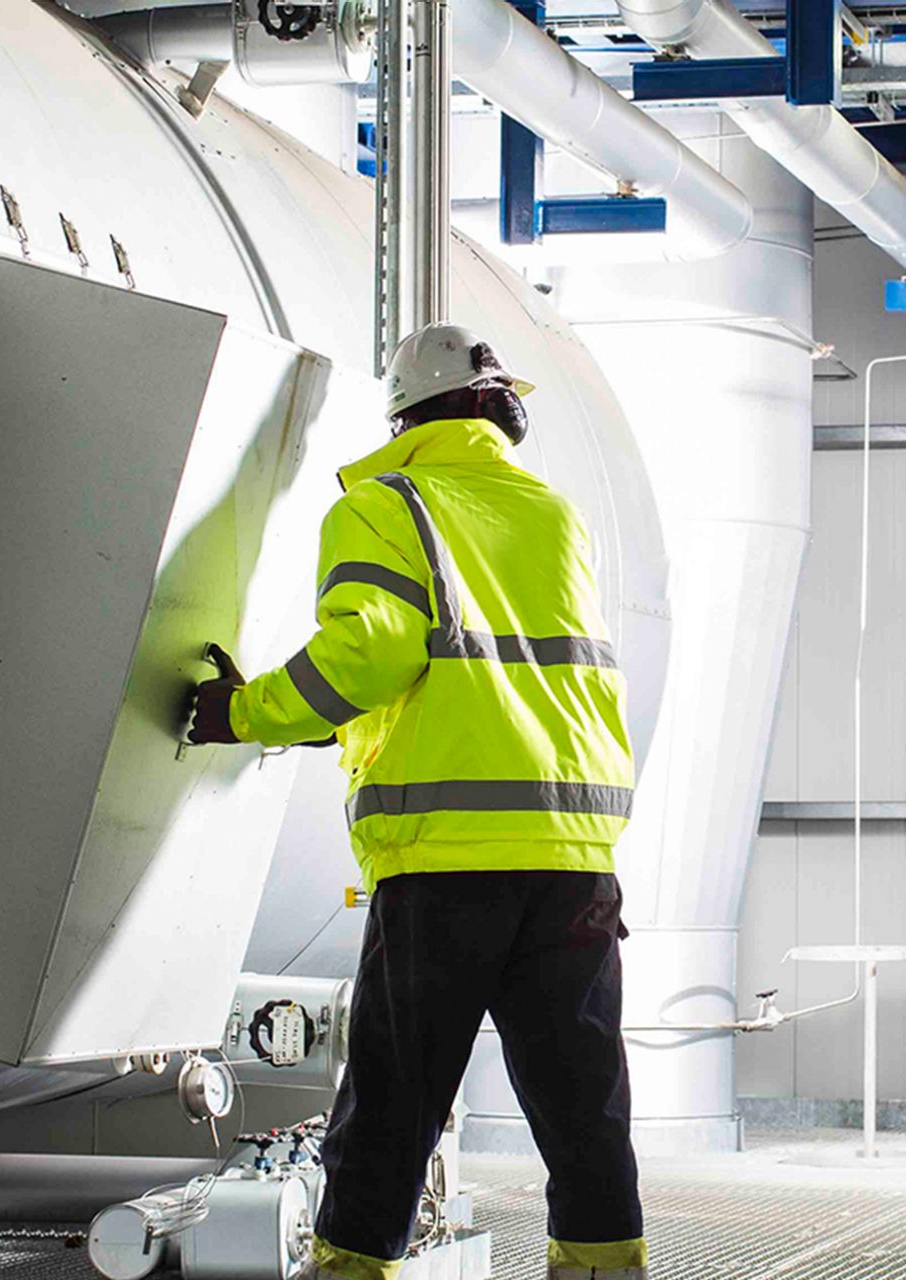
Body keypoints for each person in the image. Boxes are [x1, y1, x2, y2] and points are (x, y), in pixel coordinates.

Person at [188, 322, 645, 1280]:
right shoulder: (551, 513)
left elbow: (376, 653)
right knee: (584, 1106)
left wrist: (244, 712)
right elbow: (483, 681)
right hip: (571, 858)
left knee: (395, 1102)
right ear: (482, 402)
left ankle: (354, 1268)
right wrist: (326, 720)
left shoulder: (386, 502)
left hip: (445, 860)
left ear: (408, 413)